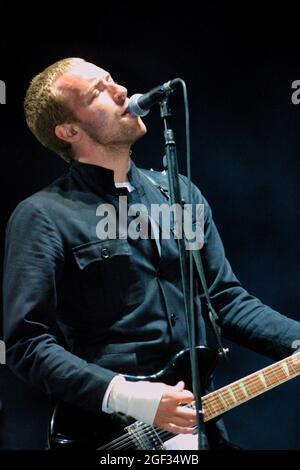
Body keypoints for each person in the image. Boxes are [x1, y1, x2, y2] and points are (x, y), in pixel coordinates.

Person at [3, 57, 300, 450]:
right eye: (98, 91)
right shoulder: (42, 215)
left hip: (198, 425)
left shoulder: (179, 193)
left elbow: (224, 300)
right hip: (111, 433)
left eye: (111, 80)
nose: (121, 91)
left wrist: (296, 338)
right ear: (68, 129)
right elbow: (26, 343)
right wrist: (132, 397)